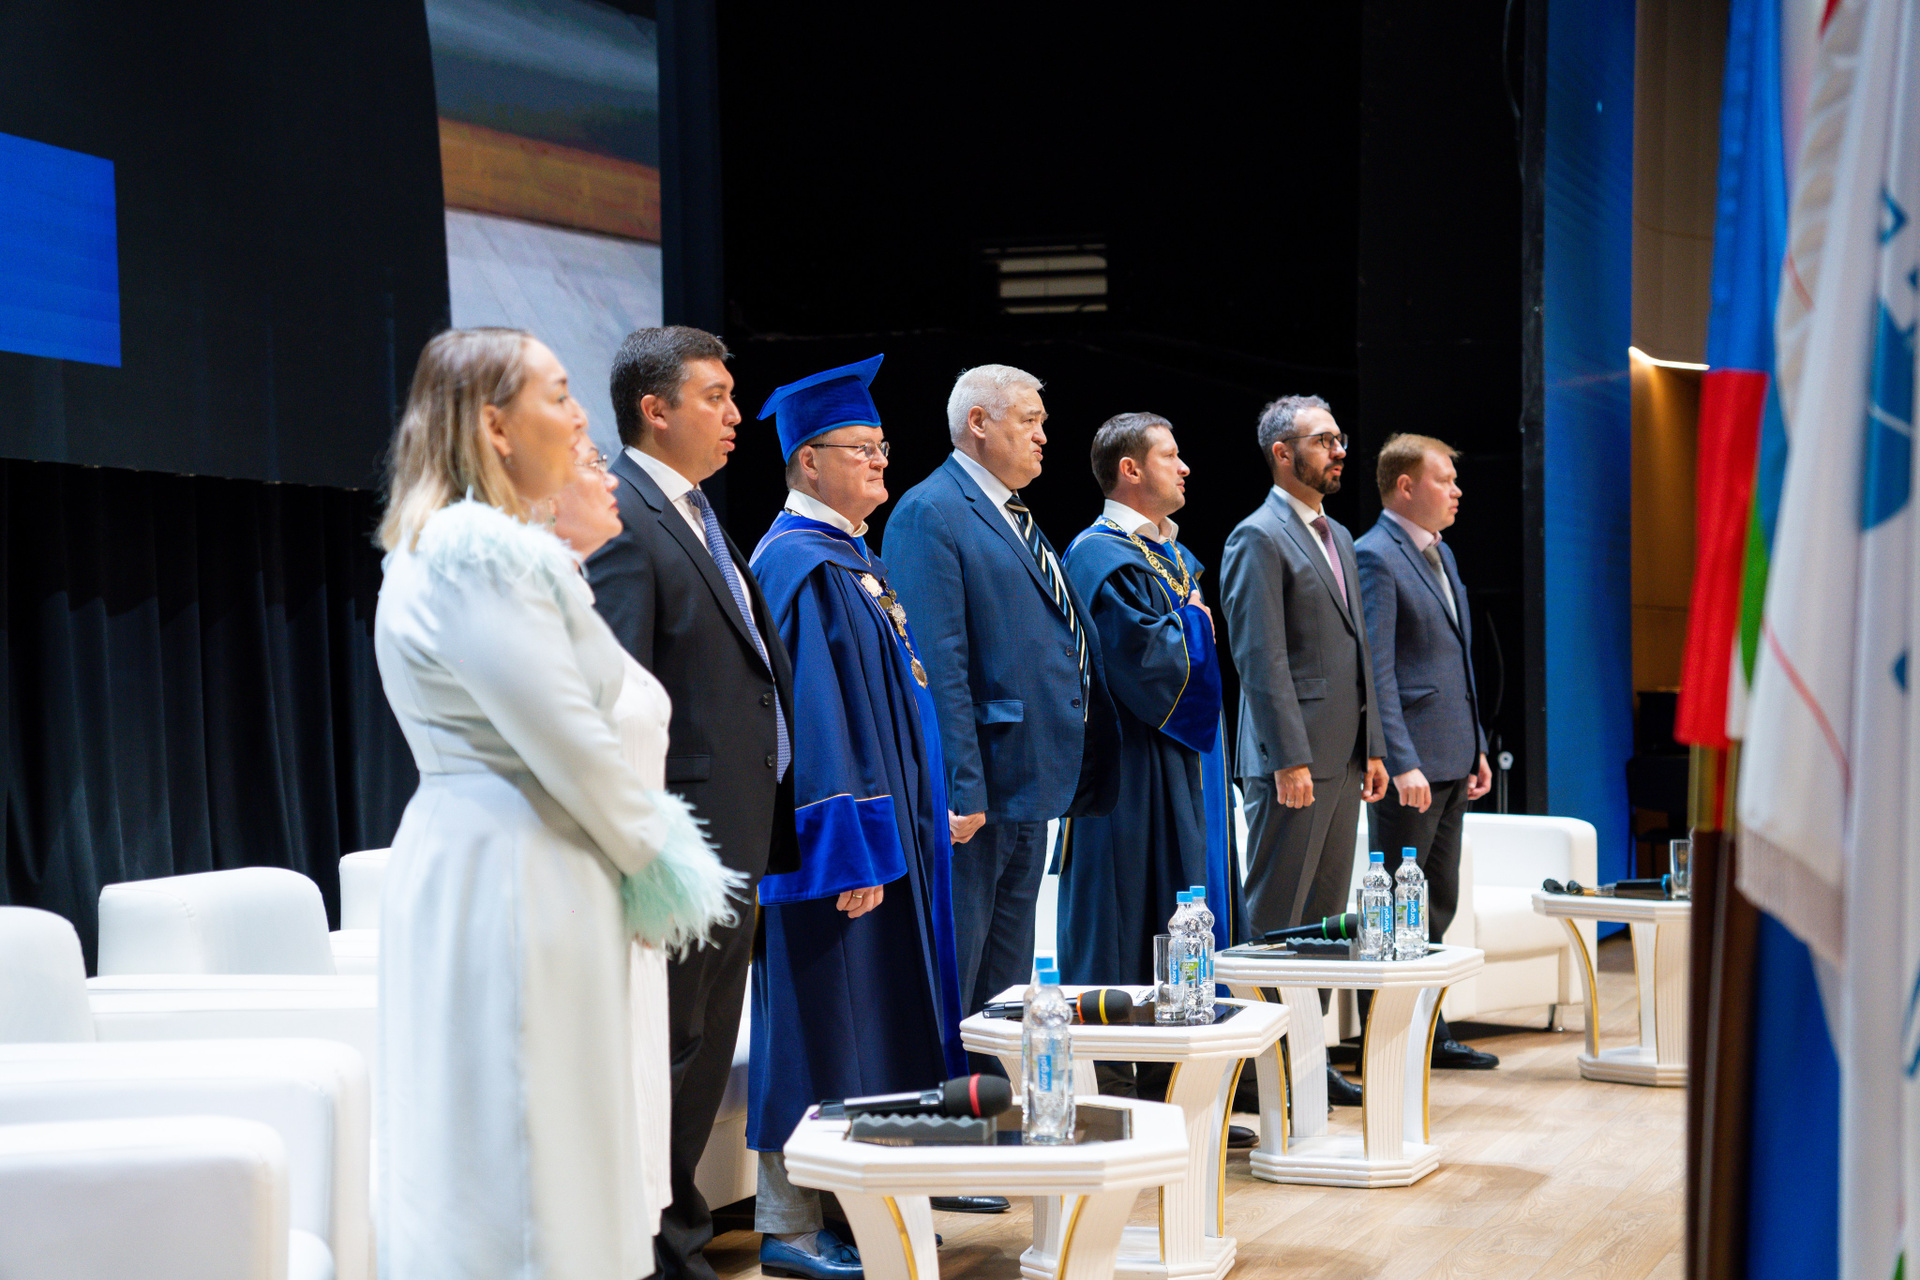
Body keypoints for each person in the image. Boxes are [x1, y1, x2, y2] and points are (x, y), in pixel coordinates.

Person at [374, 328, 735, 1280]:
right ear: (494, 426)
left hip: (523, 858)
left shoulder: (468, 551)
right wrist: (662, 861)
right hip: (515, 870)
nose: (580, 421)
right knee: (525, 1155)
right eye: (560, 395)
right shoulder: (479, 555)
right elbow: (572, 740)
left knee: (542, 1144)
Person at [745, 355, 974, 1275]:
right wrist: (849, 854)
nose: (883, 461)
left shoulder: (851, 560)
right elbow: (815, 730)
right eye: (861, 448)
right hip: (839, 858)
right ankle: (792, 1225)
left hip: (891, 846)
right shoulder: (798, 568)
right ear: (808, 460)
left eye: (882, 445)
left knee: (871, 1025)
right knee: (824, 1028)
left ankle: (858, 1208)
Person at [588, 326, 798, 1280]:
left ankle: (679, 1241)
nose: (735, 415)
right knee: (671, 1050)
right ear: (655, 409)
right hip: (680, 838)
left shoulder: (697, 511)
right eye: (715, 397)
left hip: (732, 832)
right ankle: (657, 1252)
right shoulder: (625, 514)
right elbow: (619, 690)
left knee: (702, 1049)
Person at [884, 364, 1120, 1035]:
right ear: (978, 423)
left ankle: (997, 1093)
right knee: (960, 977)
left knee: (1006, 986)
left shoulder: (1011, 513)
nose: (1044, 435)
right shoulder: (930, 511)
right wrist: (961, 786)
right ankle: (954, 1093)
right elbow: (938, 665)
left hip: (1028, 783)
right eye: (1030, 420)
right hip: (979, 792)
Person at [1220, 394, 1388, 1108]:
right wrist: (1288, 757)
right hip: (1292, 762)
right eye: (1324, 440)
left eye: (1339, 438)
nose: (1339, 450)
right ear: (1283, 453)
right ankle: (1255, 1074)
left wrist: (1373, 746)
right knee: (1275, 920)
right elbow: (1259, 658)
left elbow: (1358, 651)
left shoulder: (1338, 535)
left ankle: (1307, 1063)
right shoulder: (1257, 536)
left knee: (1321, 924)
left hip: (1343, 757)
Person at [551, 437, 688, 1239]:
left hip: (631, 884)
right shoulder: (523, 596)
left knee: (634, 1105)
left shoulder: (576, 591)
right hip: (586, 880)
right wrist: (650, 863)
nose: (610, 480)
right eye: (588, 466)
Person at [1055, 413, 1238, 990]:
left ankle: (1197, 1027)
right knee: (1133, 908)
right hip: (1135, 766)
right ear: (1130, 469)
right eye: (1170, 456)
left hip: (1187, 755)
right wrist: (1195, 625)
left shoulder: (1172, 555)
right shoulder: (1099, 557)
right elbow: (1142, 660)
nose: (1185, 468)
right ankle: (1125, 1042)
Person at [1354, 433, 1498, 1070]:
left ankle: (1429, 1037)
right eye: (1444, 479)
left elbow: (1456, 661)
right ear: (1406, 486)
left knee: (1436, 902)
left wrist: (1477, 748)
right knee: (1393, 907)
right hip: (1410, 766)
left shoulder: (1442, 553)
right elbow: (1377, 671)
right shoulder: (1375, 556)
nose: (1457, 490)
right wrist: (1400, 758)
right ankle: (1383, 1043)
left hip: (1453, 756)